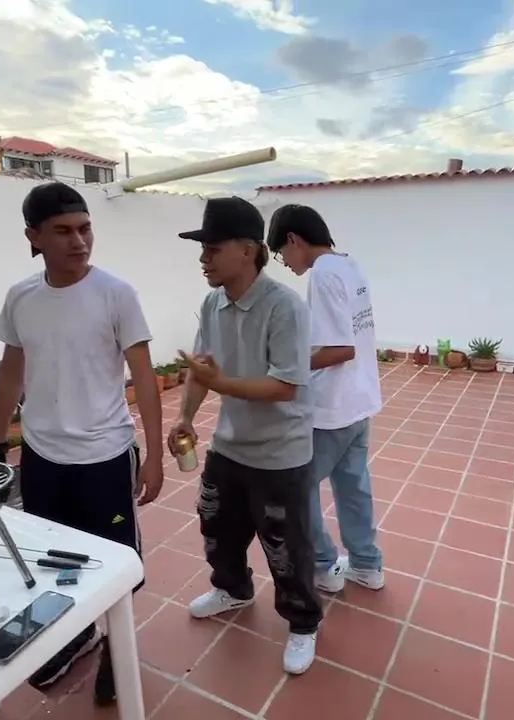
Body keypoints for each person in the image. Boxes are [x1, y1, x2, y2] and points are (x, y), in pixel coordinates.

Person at [0, 182, 163, 705]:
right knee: (55, 558)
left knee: (116, 563)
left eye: (85, 228)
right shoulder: (21, 297)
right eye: (63, 231)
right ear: (33, 237)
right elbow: (12, 369)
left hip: (104, 456)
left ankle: (117, 652)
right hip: (42, 456)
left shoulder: (116, 293)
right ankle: (77, 635)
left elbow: (145, 377)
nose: (79, 241)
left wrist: (153, 455)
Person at [169, 196, 323, 675]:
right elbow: (203, 370)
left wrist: (219, 384)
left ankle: (302, 623)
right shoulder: (212, 303)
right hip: (229, 446)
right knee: (217, 527)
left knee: (286, 546)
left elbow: (285, 386)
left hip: (281, 453)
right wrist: (186, 417)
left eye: (212, 249)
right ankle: (232, 589)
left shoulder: (285, 307)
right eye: (202, 249)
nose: (203, 259)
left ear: (248, 250)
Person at [267, 204, 386, 593]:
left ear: (294, 240)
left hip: (333, 408)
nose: (285, 263)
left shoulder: (322, 274)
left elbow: (340, 349)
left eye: (281, 253)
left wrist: (289, 363)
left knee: (296, 487)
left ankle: (322, 566)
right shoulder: (350, 265)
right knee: (353, 487)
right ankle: (366, 564)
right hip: (359, 401)